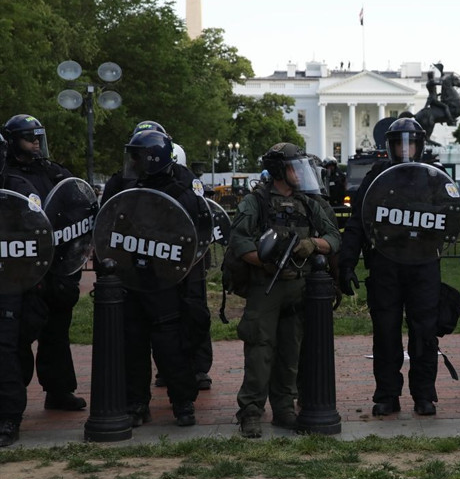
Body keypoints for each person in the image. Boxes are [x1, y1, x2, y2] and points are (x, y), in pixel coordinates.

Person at [230, 142, 340, 438]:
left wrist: (312, 244)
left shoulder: (309, 202)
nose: (300, 173)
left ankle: (284, 409)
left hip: (299, 286)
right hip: (267, 286)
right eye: (294, 167)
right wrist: (263, 262)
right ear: (279, 170)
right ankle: (251, 411)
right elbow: (239, 241)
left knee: (291, 351)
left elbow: (333, 237)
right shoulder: (257, 202)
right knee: (260, 350)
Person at [338, 117, 442, 417]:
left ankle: (424, 395)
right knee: (385, 332)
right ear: (391, 145)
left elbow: (450, 217)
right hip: (386, 265)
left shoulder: (433, 176)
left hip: (423, 264)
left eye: (411, 143)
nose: (406, 149)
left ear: (420, 145)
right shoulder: (376, 177)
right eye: (400, 143)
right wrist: (347, 263)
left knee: (424, 333)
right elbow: (357, 222)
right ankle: (387, 394)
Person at [104, 121, 214, 392]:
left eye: (138, 154)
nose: (133, 160)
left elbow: (198, 226)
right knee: (133, 340)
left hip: (169, 271)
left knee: (172, 338)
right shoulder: (121, 182)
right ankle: (137, 402)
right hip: (131, 272)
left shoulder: (182, 185)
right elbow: (105, 223)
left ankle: (184, 397)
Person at [1, 114, 86, 413]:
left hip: (56, 266)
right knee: (19, 335)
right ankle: (14, 399)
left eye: (39, 138)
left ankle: (59, 390)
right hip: (20, 268)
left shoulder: (52, 171)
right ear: (12, 143)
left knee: (56, 332)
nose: (36, 144)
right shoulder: (5, 174)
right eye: (29, 138)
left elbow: (77, 206)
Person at [0, 131, 51, 447]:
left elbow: (40, 234)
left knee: (5, 348)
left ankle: (8, 417)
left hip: (9, 281)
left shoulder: (17, 188)